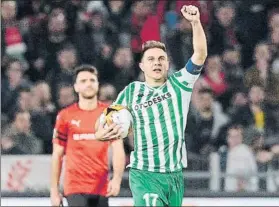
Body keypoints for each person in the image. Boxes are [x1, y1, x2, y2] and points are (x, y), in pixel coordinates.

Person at [98, 5, 207, 207]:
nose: (156, 63)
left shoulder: (180, 84)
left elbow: (200, 55)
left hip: (174, 175)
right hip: (145, 174)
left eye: (161, 59)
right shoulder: (131, 91)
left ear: (167, 63)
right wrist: (100, 132)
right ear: (142, 66)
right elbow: (106, 118)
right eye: (150, 59)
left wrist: (195, 23)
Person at [50, 65, 126, 207]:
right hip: (75, 187)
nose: (88, 84)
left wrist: (116, 179)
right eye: (83, 81)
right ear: (76, 87)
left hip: (101, 187)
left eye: (92, 80)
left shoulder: (109, 114)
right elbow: (57, 155)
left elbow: (118, 149)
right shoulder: (65, 116)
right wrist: (54, 191)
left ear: (98, 84)